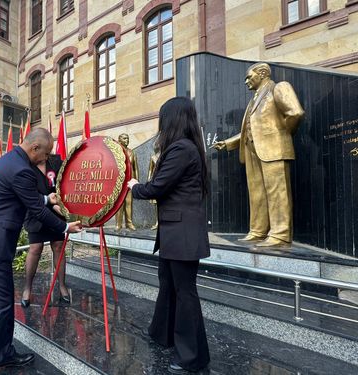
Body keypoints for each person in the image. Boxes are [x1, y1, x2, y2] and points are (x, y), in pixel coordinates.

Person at [0, 128, 82, 375]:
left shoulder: (11, 160)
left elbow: (25, 198)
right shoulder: (21, 169)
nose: (46, 159)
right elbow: (36, 210)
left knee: (4, 304)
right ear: (35, 148)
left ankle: (4, 354)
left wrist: (50, 200)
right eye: (45, 153)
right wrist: (65, 226)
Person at [127, 97, 210, 374]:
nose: (160, 125)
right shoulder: (184, 148)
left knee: (185, 293)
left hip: (182, 234)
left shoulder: (181, 149)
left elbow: (157, 188)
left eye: (163, 119)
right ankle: (161, 334)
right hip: (176, 233)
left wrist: (135, 186)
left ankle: (193, 358)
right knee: (168, 284)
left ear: (173, 119)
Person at [214, 62, 304, 248]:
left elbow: (295, 113)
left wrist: (282, 134)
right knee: (257, 194)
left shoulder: (279, 88)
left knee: (277, 192)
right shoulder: (254, 99)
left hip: (274, 150)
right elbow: (251, 129)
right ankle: (258, 230)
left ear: (262, 73)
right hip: (252, 151)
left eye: (249, 76)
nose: (246, 81)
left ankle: (280, 234)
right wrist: (228, 143)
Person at [20, 154, 68, 308]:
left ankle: (62, 286)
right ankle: (27, 288)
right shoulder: (26, 165)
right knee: (35, 248)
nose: (47, 153)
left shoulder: (55, 161)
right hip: (35, 212)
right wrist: (50, 203)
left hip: (57, 210)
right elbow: (28, 194)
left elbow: (64, 183)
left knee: (58, 246)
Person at [115, 133, 139, 230]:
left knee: (129, 203)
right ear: (120, 140)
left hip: (130, 181)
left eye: (127, 138)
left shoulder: (132, 152)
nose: (127, 140)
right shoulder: (116, 152)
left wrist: (136, 179)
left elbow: (135, 167)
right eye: (125, 138)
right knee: (119, 204)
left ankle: (129, 223)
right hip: (120, 181)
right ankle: (118, 224)